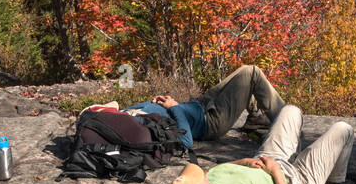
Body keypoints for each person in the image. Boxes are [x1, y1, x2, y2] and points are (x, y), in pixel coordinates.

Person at [163, 104, 356, 184]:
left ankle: (301, 163)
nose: (198, 174)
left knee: (291, 110)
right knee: (344, 130)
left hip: (267, 158)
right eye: (194, 179)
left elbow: (217, 170)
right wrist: (276, 173)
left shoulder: (208, 179)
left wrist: (245, 162)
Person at [122, 64, 285, 150]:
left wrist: (155, 102)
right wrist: (173, 107)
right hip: (210, 122)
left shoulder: (124, 114)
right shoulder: (135, 127)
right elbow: (186, 141)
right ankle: (287, 123)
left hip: (201, 105)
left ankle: (256, 118)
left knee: (243, 72)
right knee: (252, 73)